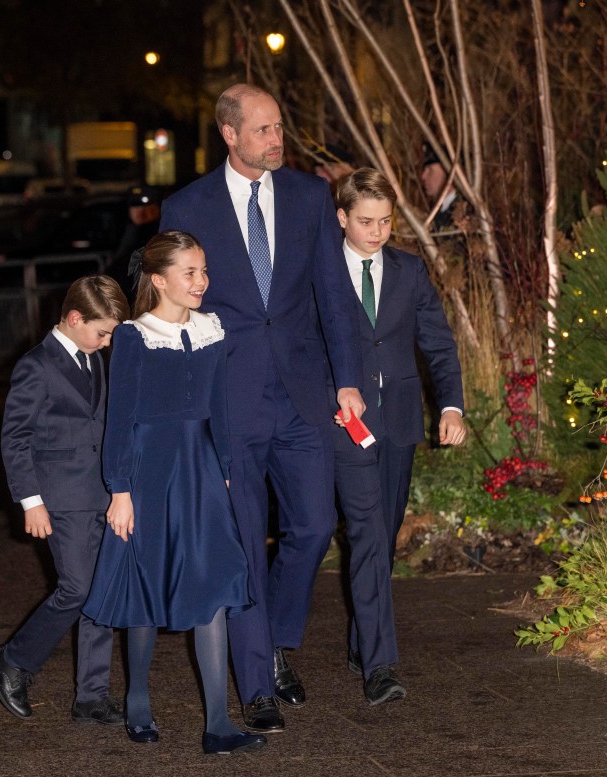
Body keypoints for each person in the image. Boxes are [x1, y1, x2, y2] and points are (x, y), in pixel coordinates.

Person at [160, 83, 365, 733]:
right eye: (263, 130)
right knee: (246, 541)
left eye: (279, 127)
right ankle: (256, 686)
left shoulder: (309, 196)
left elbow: (334, 295)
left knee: (315, 525)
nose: (277, 140)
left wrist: (347, 380)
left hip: (303, 394)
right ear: (230, 134)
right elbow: (173, 312)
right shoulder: (187, 207)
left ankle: (271, 638)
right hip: (229, 400)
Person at [82, 231, 267, 756]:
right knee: (147, 583)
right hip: (150, 471)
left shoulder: (213, 328)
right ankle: (138, 700)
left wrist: (224, 468)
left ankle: (219, 724)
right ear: (159, 280)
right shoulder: (134, 337)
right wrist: (120, 489)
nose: (201, 281)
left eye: (203, 270)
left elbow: (219, 406)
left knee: (214, 582)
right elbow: (120, 418)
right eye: (190, 272)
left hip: (201, 469)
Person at [332, 168, 466, 703]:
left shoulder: (409, 271)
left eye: (386, 221)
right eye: (366, 221)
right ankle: (380, 665)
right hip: (343, 423)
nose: (377, 232)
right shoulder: (321, 271)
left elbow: (438, 343)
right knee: (365, 533)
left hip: (399, 422)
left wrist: (451, 405)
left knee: (382, 537)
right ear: (342, 218)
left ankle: (363, 640)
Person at [0, 275, 128, 727]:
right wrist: (31, 501)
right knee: (77, 589)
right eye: (101, 332)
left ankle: (92, 695)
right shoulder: (36, 365)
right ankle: (14, 659)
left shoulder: (94, 359)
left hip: (100, 492)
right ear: (74, 318)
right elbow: (15, 437)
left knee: (101, 591)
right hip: (60, 497)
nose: (106, 343)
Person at [420, 143, 458, 229]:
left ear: (448, 172)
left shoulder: (464, 212)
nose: (423, 176)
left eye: (430, 170)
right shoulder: (436, 209)